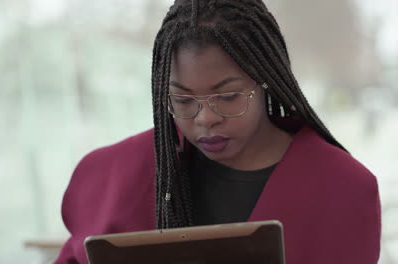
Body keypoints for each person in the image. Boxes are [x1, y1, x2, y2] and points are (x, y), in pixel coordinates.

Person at [55, 0, 381, 263]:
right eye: (182, 100)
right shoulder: (111, 176)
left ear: (266, 81)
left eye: (227, 96)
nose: (205, 119)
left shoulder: (341, 187)